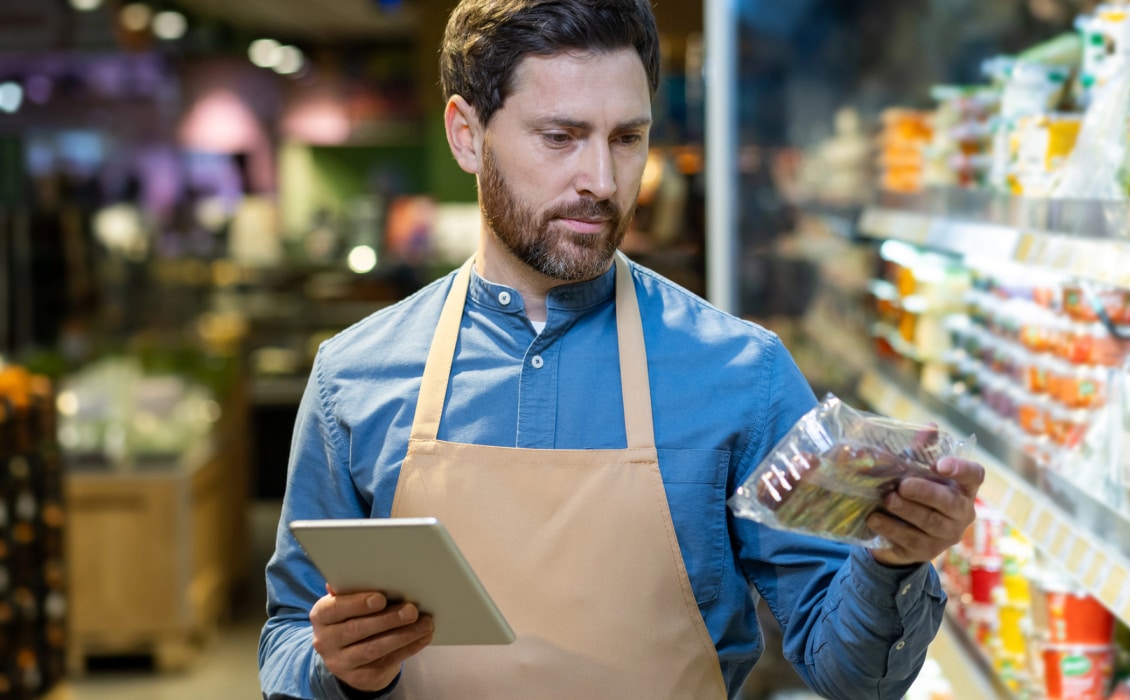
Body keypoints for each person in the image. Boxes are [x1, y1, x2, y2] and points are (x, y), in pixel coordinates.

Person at [257, 1, 984, 698]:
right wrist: (337, 668)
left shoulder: (742, 375)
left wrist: (894, 560)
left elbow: (855, 675)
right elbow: (290, 635)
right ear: (465, 134)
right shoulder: (353, 377)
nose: (601, 183)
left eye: (627, 138)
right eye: (561, 137)